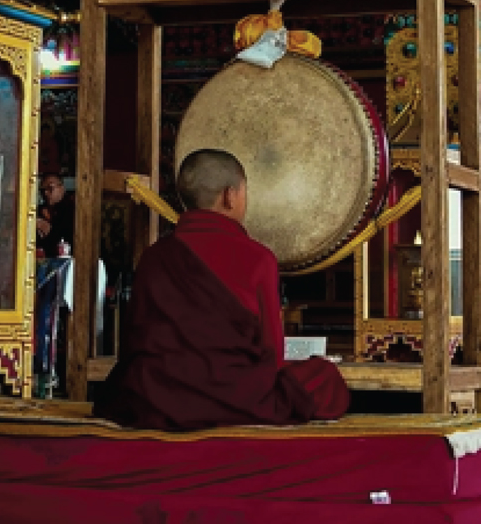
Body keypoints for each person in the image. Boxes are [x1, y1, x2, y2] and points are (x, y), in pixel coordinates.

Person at [94, 149, 349, 431]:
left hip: (154, 397)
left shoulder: (154, 257)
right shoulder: (257, 258)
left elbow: (133, 345)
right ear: (229, 196)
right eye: (244, 192)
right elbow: (272, 356)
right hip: (233, 395)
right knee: (322, 376)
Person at [36, 173, 75, 258]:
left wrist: (48, 230)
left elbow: (66, 241)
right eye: (42, 190)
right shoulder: (40, 210)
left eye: (50, 188)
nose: (46, 193)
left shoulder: (71, 210)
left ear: (62, 188)